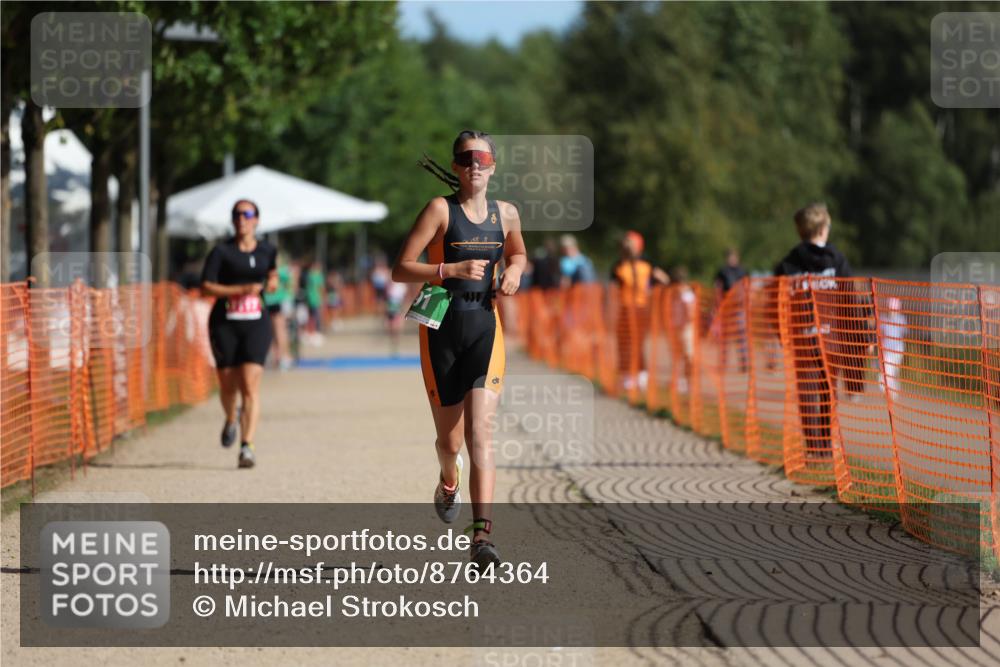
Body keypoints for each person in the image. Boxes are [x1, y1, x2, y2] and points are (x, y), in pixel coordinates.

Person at [394, 130, 527, 570]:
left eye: (483, 157)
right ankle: (448, 480)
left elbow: (519, 253)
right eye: (466, 158)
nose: (475, 164)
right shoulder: (439, 210)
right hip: (441, 326)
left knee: (480, 435)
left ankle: (482, 538)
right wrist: (447, 267)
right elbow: (401, 268)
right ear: (455, 166)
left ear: (493, 165)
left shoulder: (506, 213)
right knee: (450, 442)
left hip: (485, 327)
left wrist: (514, 271)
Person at [200, 199, 278, 469]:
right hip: (225, 324)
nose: (242, 219)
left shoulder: (268, 249)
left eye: (247, 214)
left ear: (256, 219)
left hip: (257, 322)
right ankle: (231, 419)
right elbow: (206, 287)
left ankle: (247, 446)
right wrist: (240, 290)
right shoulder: (221, 252)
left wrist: (273, 281)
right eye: (237, 214)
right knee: (227, 385)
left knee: (250, 386)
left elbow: (272, 272)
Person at [773, 202, 852, 460]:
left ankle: (814, 446)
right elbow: (849, 299)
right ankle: (825, 445)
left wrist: (781, 332)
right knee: (827, 390)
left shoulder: (787, 264)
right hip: (832, 338)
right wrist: (859, 335)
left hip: (801, 337)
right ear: (822, 228)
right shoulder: (837, 260)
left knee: (807, 390)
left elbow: (776, 303)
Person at [610, 230, 668, 393]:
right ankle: (626, 375)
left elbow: (663, 280)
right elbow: (613, 287)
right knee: (624, 342)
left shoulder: (647, 264)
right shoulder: (619, 266)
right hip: (625, 308)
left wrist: (654, 292)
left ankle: (641, 375)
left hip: (641, 308)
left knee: (638, 341)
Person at [714, 248, 749, 374]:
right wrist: (717, 304)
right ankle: (723, 363)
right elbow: (717, 287)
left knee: (741, 336)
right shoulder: (722, 271)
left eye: (733, 257)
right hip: (726, 308)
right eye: (729, 257)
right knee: (725, 338)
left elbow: (746, 287)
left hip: (739, 308)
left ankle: (744, 362)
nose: (731, 259)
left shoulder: (742, 271)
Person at [263, 252, 294, 371]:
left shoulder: (274, 270)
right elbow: (291, 283)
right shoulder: (282, 270)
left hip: (271, 301)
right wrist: (288, 295)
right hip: (273, 301)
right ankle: (282, 356)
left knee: (274, 330)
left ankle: (281, 356)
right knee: (279, 330)